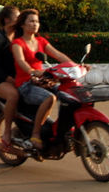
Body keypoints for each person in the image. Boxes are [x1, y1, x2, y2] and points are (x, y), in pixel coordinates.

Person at [10, 9, 73, 149]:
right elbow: (20, 61)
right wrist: (32, 71)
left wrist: (74, 66)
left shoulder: (41, 41)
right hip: (26, 84)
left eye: (37, 21)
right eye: (31, 21)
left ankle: (61, 129)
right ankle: (36, 133)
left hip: (41, 82)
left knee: (68, 94)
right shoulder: (17, 43)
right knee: (50, 98)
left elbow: (58, 55)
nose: (35, 24)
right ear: (22, 25)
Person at [0, 5, 20, 147]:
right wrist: (11, 80)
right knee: (13, 95)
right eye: (17, 18)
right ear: (7, 20)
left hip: (19, 78)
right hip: (0, 81)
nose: (21, 21)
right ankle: (7, 132)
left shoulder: (20, 36)